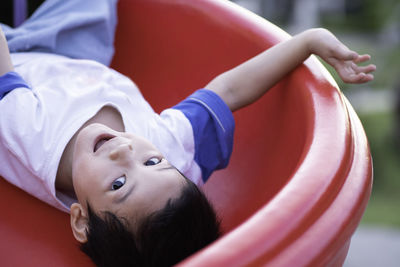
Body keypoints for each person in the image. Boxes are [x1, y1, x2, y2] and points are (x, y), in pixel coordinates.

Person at [0, 0, 376, 266]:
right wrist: (306, 42)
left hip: (17, 66)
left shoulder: (32, 136)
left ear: (80, 219)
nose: (125, 153)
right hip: (77, 56)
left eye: (117, 184)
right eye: (152, 161)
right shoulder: (172, 153)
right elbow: (229, 91)